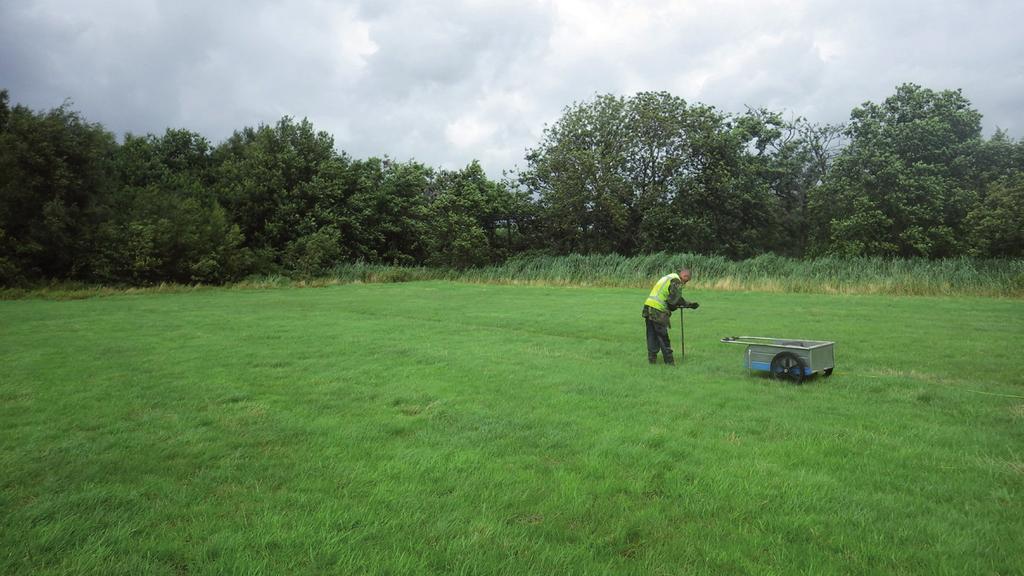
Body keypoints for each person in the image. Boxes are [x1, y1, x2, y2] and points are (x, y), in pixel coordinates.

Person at [642, 268, 699, 365]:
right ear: (684, 276)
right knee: (663, 337)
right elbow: (673, 301)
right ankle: (669, 362)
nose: (685, 283)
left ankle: (652, 360)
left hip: (648, 307)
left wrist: (681, 304)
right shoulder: (676, 281)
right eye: (686, 281)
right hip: (658, 310)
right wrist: (688, 304)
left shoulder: (668, 277)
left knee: (651, 335)